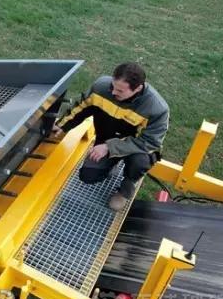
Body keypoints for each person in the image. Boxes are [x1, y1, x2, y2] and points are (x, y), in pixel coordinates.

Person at [54, 62, 169, 211]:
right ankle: (111, 164)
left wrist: (109, 147)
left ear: (138, 88)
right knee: (88, 176)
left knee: (139, 163)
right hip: (106, 140)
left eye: (120, 90)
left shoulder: (157, 109)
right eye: (113, 86)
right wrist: (61, 125)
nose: (113, 92)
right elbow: (80, 107)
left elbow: (149, 142)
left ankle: (126, 189)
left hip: (138, 149)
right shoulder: (101, 88)